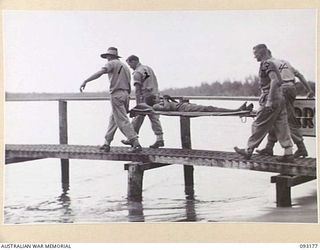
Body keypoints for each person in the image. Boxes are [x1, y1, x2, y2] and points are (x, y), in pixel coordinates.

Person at [234, 44, 294, 163]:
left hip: (270, 97)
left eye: (255, 53)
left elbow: (275, 80)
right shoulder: (272, 64)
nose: (254, 56)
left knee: (259, 123)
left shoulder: (266, 64)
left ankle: (249, 150)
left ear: (262, 52)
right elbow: (280, 81)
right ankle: (289, 153)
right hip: (280, 97)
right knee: (281, 125)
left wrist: (270, 100)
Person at [79, 47, 142, 153]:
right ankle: (106, 143)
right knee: (113, 119)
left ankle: (136, 144)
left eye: (107, 57)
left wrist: (86, 81)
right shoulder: (125, 66)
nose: (106, 59)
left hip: (117, 94)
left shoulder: (112, 63)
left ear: (109, 56)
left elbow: (100, 73)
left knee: (122, 120)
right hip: (126, 94)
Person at [255, 48, 314, 158]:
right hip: (292, 88)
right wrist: (309, 90)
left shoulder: (269, 64)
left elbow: (274, 80)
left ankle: (301, 148)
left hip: (282, 89)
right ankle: (269, 147)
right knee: (275, 118)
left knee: (287, 120)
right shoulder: (284, 62)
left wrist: (269, 98)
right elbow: (300, 75)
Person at [121, 55, 165, 149]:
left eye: (130, 64)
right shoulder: (148, 68)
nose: (130, 67)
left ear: (134, 61)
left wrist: (138, 105)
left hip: (146, 98)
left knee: (138, 117)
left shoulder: (137, 72)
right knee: (154, 118)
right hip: (155, 96)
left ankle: (132, 138)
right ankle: (159, 139)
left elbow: (137, 90)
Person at [142, 94, 253, 112]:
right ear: (153, 101)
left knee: (210, 107)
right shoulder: (156, 106)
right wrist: (166, 99)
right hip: (184, 109)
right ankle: (237, 110)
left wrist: (169, 99)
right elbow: (166, 108)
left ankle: (238, 110)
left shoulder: (158, 103)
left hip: (184, 106)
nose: (159, 98)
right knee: (209, 108)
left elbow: (171, 105)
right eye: (157, 97)